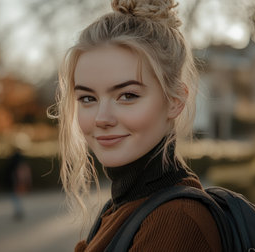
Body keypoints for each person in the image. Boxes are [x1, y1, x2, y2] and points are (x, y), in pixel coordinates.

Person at [51, 0, 222, 251]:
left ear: (175, 102)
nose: (102, 118)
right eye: (88, 98)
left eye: (127, 95)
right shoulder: (122, 208)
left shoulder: (175, 222)